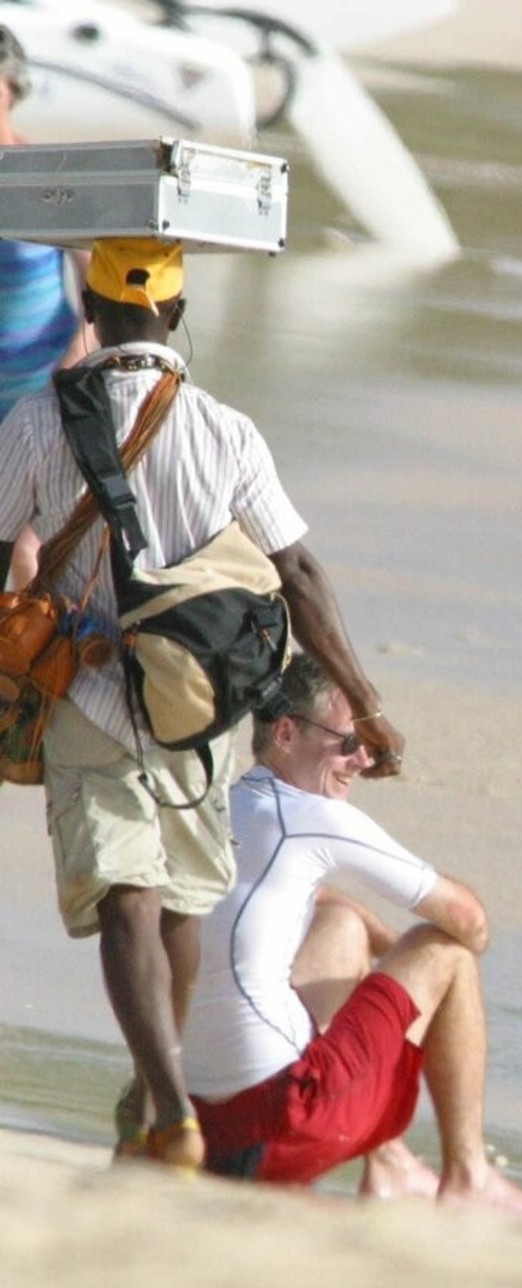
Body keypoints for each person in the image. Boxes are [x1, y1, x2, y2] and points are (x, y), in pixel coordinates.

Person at [0, 237, 405, 1171]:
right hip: (199, 706)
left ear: (90, 313)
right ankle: (158, 1094)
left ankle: (168, 1104)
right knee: (182, 901)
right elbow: (299, 570)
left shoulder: (36, 421)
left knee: (125, 897)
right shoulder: (227, 430)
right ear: (177, 316)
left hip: (88, 691)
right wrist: (366, 701)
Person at [181, 653, 522, 1221]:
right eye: (347, 741)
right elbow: (471, 923)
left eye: (367, 743)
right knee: (446, 952)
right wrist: (419, 966)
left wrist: (385, 955)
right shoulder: (314, 817)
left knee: (341, 923)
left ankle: (390, 1163)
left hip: (205, 1132)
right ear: (285, 733)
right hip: (282, 1128)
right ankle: (469, 1177)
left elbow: (319, 901)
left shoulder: (227, 804)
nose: (361, 759)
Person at [0, 23, 96, 588]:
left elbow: (99, 301)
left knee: (27, 551)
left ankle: (37, 645)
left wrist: (65, 381)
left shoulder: (50, 179)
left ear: (12, 86)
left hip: (39, 395)